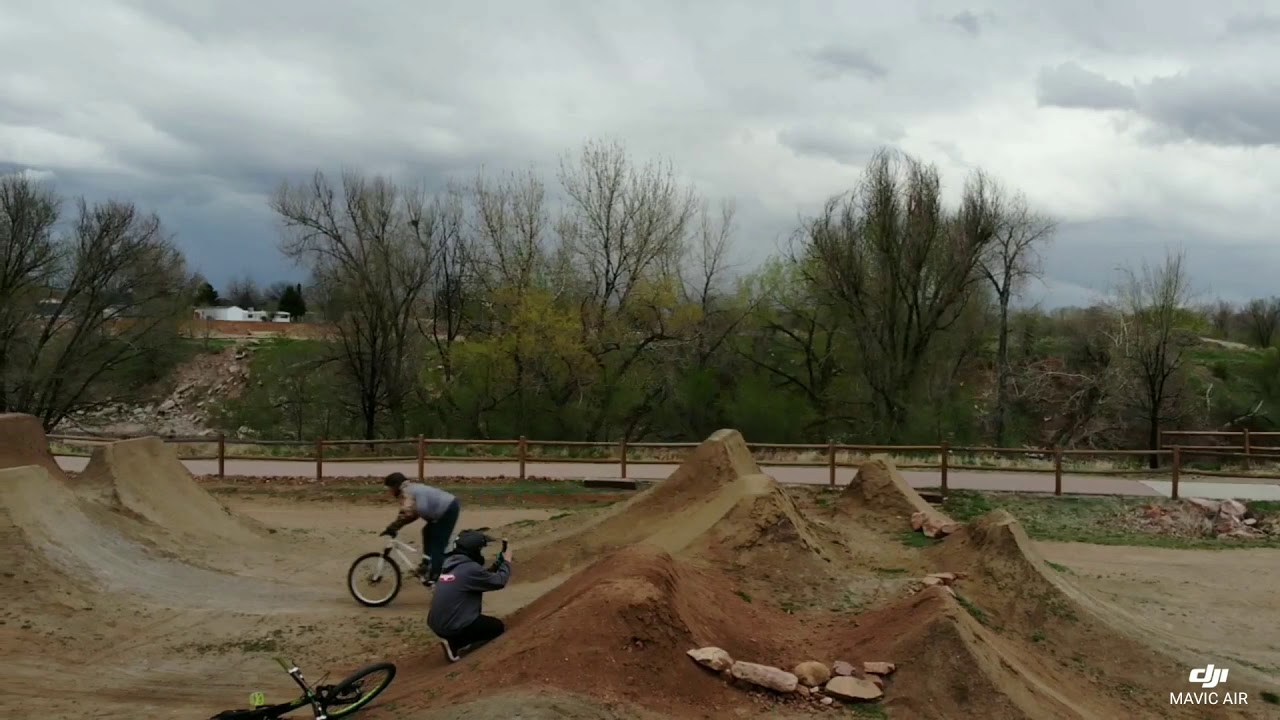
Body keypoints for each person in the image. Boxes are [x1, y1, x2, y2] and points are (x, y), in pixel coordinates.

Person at [427, 529, 512, 662]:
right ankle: (455, 643)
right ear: (473, 550)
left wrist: (497, 564)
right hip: (452, 626)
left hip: (436, 623)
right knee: (497, 627)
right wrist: (507, 562)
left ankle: (453, 637)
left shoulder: (451, 565)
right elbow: (499, 581)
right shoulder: (470, 569)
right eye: (479, 550)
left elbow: (479, 578)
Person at [380, 472, 460, 585]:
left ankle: (435, 577)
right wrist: (397, 525)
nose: (390, 492)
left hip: (448, 509)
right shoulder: (410, 489)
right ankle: (426, 564)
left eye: (390, 488)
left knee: (438, 543)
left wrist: (394, 526)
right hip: (443, 510)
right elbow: (413, 513)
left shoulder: (407, 491)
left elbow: (408, 512)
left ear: (396, 486)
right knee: (427, 532)